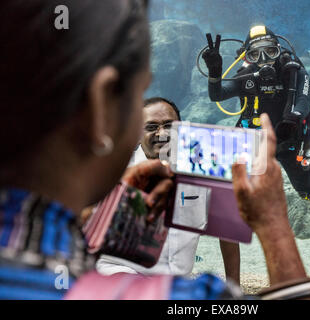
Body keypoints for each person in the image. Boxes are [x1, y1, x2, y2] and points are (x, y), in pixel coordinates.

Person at [0, 0, 310, 300]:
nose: (162, 134)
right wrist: (274, 227)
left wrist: (88, 220)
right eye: (139, 94)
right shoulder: (184, 298)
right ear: (101, 108)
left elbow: (225, 233)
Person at [96, 97, 242, 286]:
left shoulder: (205, 172)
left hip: (175, 285)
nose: (162, 133)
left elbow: (227, 233)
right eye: (151, 127)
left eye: (169, 125)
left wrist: (235, 290)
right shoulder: (113, 174)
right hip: (119, 279)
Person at [201, 25, 310, 228]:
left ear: (279, 50)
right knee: (230, 185)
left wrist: (291, 121)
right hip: (255, 143)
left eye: (270, 52)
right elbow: (217, 95)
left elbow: (303, 102)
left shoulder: (294, 72)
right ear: (246, 56)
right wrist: (214, 72)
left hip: (290, 141)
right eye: (255, 54)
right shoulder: (246, 76)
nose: (263, 59)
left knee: (305, 191)